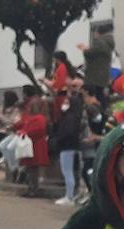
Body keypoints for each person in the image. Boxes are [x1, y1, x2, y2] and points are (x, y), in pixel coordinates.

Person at [51, 77, 88, 206]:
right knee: (73, 171)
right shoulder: (75, 115)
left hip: (68, 145)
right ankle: (72, 194)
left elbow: (67, 132)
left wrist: (59, 140)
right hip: (73, 145)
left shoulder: (70, 117)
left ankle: (69, 196)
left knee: (67, 171)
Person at [17, 89, 51, 198]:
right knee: (30, 169)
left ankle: (33, 189)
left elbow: (38, 130)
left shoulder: (40, 118)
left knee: (33, 169)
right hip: (32, 145)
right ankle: (31, 188)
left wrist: (25, 132)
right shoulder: (34, 117)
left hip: (36, 145)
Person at [78, 28, 115, 102]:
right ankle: (103, 109)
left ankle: (97, 110)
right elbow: (97, 54)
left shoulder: (99, 42)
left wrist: (84, 49)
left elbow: (90, 54)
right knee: (100, 93)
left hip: (95, 75)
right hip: (103, 74)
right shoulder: (108, 43)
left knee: (95, 95)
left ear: (97, 33)